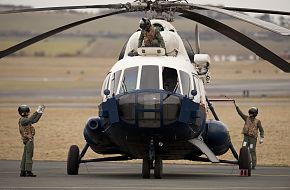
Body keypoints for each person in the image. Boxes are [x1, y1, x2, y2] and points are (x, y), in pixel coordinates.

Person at [234, 101, 264, 169]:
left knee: (251, 150)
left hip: (253, 139)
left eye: (251, 113)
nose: (250, 114)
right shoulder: (246, 118)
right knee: (243, 149)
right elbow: (240, 113)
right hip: (246, 138)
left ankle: (253, 165)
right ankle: (242, 163)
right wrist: (236, 106)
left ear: (255, 114)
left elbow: (261, 130)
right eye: (250, 112)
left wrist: (262, 138)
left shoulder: (258, 122)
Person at [18, 104, 45, 177]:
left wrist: (40, 113)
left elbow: (35, 120)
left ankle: (23, 171)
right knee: (29, 155)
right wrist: (37, 112)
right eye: (27, 111)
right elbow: (31, 119)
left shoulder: (24, 120)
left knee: (25, 155)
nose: (28, 112)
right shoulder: (24, 120)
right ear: (24, 112)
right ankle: (28, 171)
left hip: (26, 139)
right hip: (28, 140)